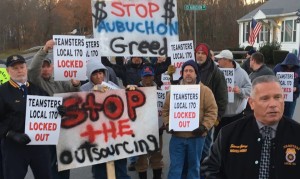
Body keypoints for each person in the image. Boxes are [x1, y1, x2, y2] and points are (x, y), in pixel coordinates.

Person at [202, 75, 300, 178]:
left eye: (277, 97)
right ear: (252, 103)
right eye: (265, 99)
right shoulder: (229, 133)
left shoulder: (297, 133)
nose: (273, 104)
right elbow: (210, 169)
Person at [28, 39, 81, 179]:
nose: (45, 69)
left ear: (52, 67)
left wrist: (75, 84)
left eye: (47, 66)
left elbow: (73, 93)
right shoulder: (36, 81)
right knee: (50, 163)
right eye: (43, 66)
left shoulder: (59, 79)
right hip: (47, 130)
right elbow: (33, 69)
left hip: (64, 128)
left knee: (65, 161)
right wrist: (44, 49)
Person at [162, 60, 218, 179]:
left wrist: (204, 126)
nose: (188, 73)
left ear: (196, 74)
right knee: (175, 168)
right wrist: (167, 124)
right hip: (177, 137)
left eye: (191, 71)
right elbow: (165, 110)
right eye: (186, 71)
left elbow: (212, 111)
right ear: (182, 73)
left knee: (194, 168)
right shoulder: (174, 91)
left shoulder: (205, 91)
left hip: (197, 138)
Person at [0, 55, 52, 179]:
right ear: (8, 71)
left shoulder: (37, 90)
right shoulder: (2, 92)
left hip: (39, 145)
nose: (19, 70)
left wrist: (58, 111)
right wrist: (10, 134)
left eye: (22, 67)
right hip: (14, 147)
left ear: (26, 68)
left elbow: (50, 112)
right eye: (15, 68)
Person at [80, 59, 130, 179]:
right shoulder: (83, 89)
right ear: (89, 75)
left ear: (105, 73)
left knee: (120, 168)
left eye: (101, 73)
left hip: (115, 134)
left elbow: (125, 104)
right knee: (100, 171)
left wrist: (130, 90)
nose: (99, 76)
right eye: (95, 74)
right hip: (96, 136)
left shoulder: (112, 86)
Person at [193, 43, 228, 161]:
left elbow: (222, 96)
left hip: (207, 117)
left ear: (207, 55)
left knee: (204, 148)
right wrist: (173, 75)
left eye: (203, 53)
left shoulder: (216, 72)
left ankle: (202, 173)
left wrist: (217, 117)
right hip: (190, 116)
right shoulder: (189, 69)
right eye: (198, 53)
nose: (200, 56)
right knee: (191, 149)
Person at [134, 65, 164, 179]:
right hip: (140, 132)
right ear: (141, 77)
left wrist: (164, 123)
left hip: (157, 130)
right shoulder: (134, 91)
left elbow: (164, 109)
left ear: (153, 77)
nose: (147, 79)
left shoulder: (160, 92)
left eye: (149, 77)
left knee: (157, 157)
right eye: (145, 77)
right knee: (141, 159)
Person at [214, 50, 251, 140]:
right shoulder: (216, 72)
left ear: (227, 60)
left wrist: (240, 91)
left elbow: (250, 89)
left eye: (220, 59)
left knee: (234, 141)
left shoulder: (242, 73)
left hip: (236, 116)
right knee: (218, 141)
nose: (218, 61)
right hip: (219, 116)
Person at [273, 53, 300, 118]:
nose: (290, 66)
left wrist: (296, 88)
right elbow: (272, 79)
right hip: (279, 97)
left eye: (292, 65)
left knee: (289, 117)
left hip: (292, 98)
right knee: (277, 115)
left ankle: (287, 128)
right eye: (289, 64)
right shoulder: (278, 67)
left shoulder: (299, 69)